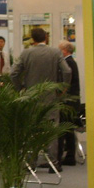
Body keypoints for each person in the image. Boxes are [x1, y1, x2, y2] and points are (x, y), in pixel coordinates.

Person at [10, 27, 71, 171]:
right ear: (46, 37)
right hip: (51, 97)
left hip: (32, 98)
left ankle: (31, 163)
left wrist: (20, 88)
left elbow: (13, 73)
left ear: (32, 39)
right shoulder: (55, 52)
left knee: (32, 130)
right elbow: (67, 71)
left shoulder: (26, 53)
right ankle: (53, 163)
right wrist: (63, 88)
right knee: (52, 131)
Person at [58, 40, 80, 167]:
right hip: (72, 101)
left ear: (65, 51)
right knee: (69, 130)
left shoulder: (68, 63)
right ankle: (70, 156)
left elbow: (68, 83)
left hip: (69, 102)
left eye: (60, 49)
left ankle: (70, 156)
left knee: (67, 129)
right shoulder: (72, 62)